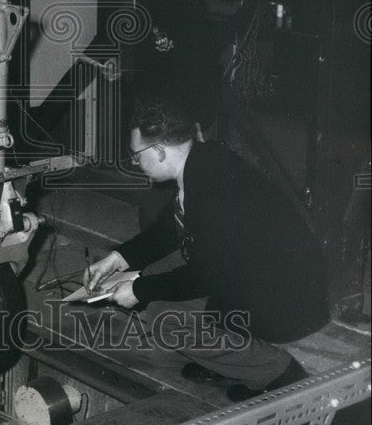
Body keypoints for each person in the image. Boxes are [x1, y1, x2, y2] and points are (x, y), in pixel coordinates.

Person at [85, 97, 329, 400]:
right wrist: (118, 257)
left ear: (159, 152)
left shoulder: (211, 185)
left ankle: (277, 372)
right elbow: (170, 230)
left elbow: (209, 274)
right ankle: (231, 363)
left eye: (136, 156)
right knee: (153, 281)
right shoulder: (203, 160)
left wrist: (140, 289)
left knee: (163, 318)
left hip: (286, 302)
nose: (135, 163)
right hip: (263, 276)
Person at [29, 0, 218, 162]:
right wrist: (43, 118)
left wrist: (196, 118)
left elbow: (197, 50)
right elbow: (105, 42)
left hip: (189, 95)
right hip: (153, 94)